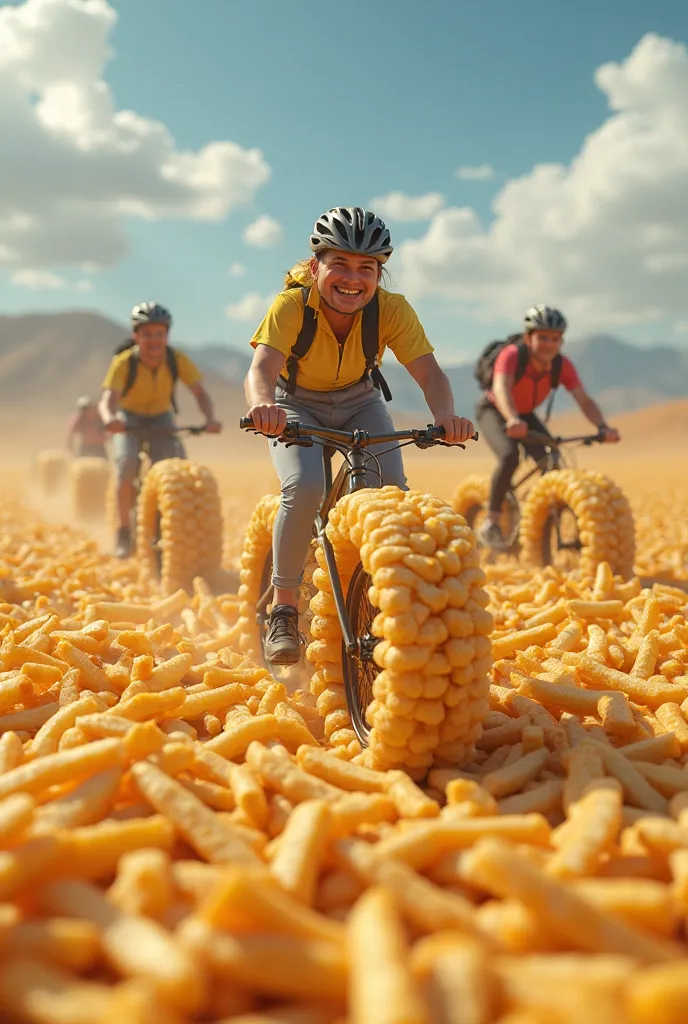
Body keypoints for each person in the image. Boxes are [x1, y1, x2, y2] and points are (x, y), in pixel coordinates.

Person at [243, 205, 475, 666]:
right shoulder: (291, 305)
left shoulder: (392, 310)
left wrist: (447, 416)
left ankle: (373, 598)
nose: (353, 278)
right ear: (316, 268)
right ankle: (283, 610)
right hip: (294, 404)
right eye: (340, 265)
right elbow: (261, 369)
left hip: (360, 402)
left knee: (387, 495)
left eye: (366, 268)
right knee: (305, 486)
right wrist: (261, 407)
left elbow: (430, 375)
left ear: (379, 275)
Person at [476, 304, 620, 549]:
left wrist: (603, 426)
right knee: (511, 455)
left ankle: (535, 513)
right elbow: (501, 388)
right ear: (528, 337)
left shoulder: (561, 365)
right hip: (495, 410)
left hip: (524, 414)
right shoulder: (511, 355)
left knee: (552, 456)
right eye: (542, 337)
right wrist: (511, 419)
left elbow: (583, 400)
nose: (548, 344)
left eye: (555, 339)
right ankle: (491, 521)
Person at [99, 302, 222, 558]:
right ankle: (123, 532)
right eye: (147, 335)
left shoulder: (176, 360)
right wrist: (111, 418)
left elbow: (200, 393)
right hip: (128, 419)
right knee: (126, 466)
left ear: (167, 335)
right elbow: (108, 400)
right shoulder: (124, 362)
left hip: (161, 418)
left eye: (159, 334)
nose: (154, 341)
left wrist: (210, 418)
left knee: (176, 468)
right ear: (136, 336)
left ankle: (174, 527)